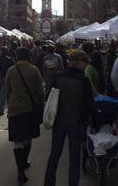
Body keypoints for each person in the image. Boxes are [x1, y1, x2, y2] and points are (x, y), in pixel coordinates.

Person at [44, 50, 93, 186]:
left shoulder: (58, 77)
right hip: (76, 123)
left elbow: (49, 97)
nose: (85, 65)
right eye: (84, 62)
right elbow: (88, 105)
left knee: (54, 154)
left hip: (59, 120)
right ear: (78, 62)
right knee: (74, 157)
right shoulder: (84, 80)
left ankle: (48, 183)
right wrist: (84, 120)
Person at [6, 47, 44, 185]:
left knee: (17, 141)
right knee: (28, 138)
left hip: (15, 109)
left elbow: (7, 91)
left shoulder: (11, 70)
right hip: (30, 109)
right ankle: (24, 163)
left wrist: (10, 105)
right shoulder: (34, 70)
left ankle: (20, 169)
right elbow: (40, 91)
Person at [0, 46, 15, 115]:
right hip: (6, 78)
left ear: (1, 51)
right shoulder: (10, 60)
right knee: (3, 94)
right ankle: (1, 109)